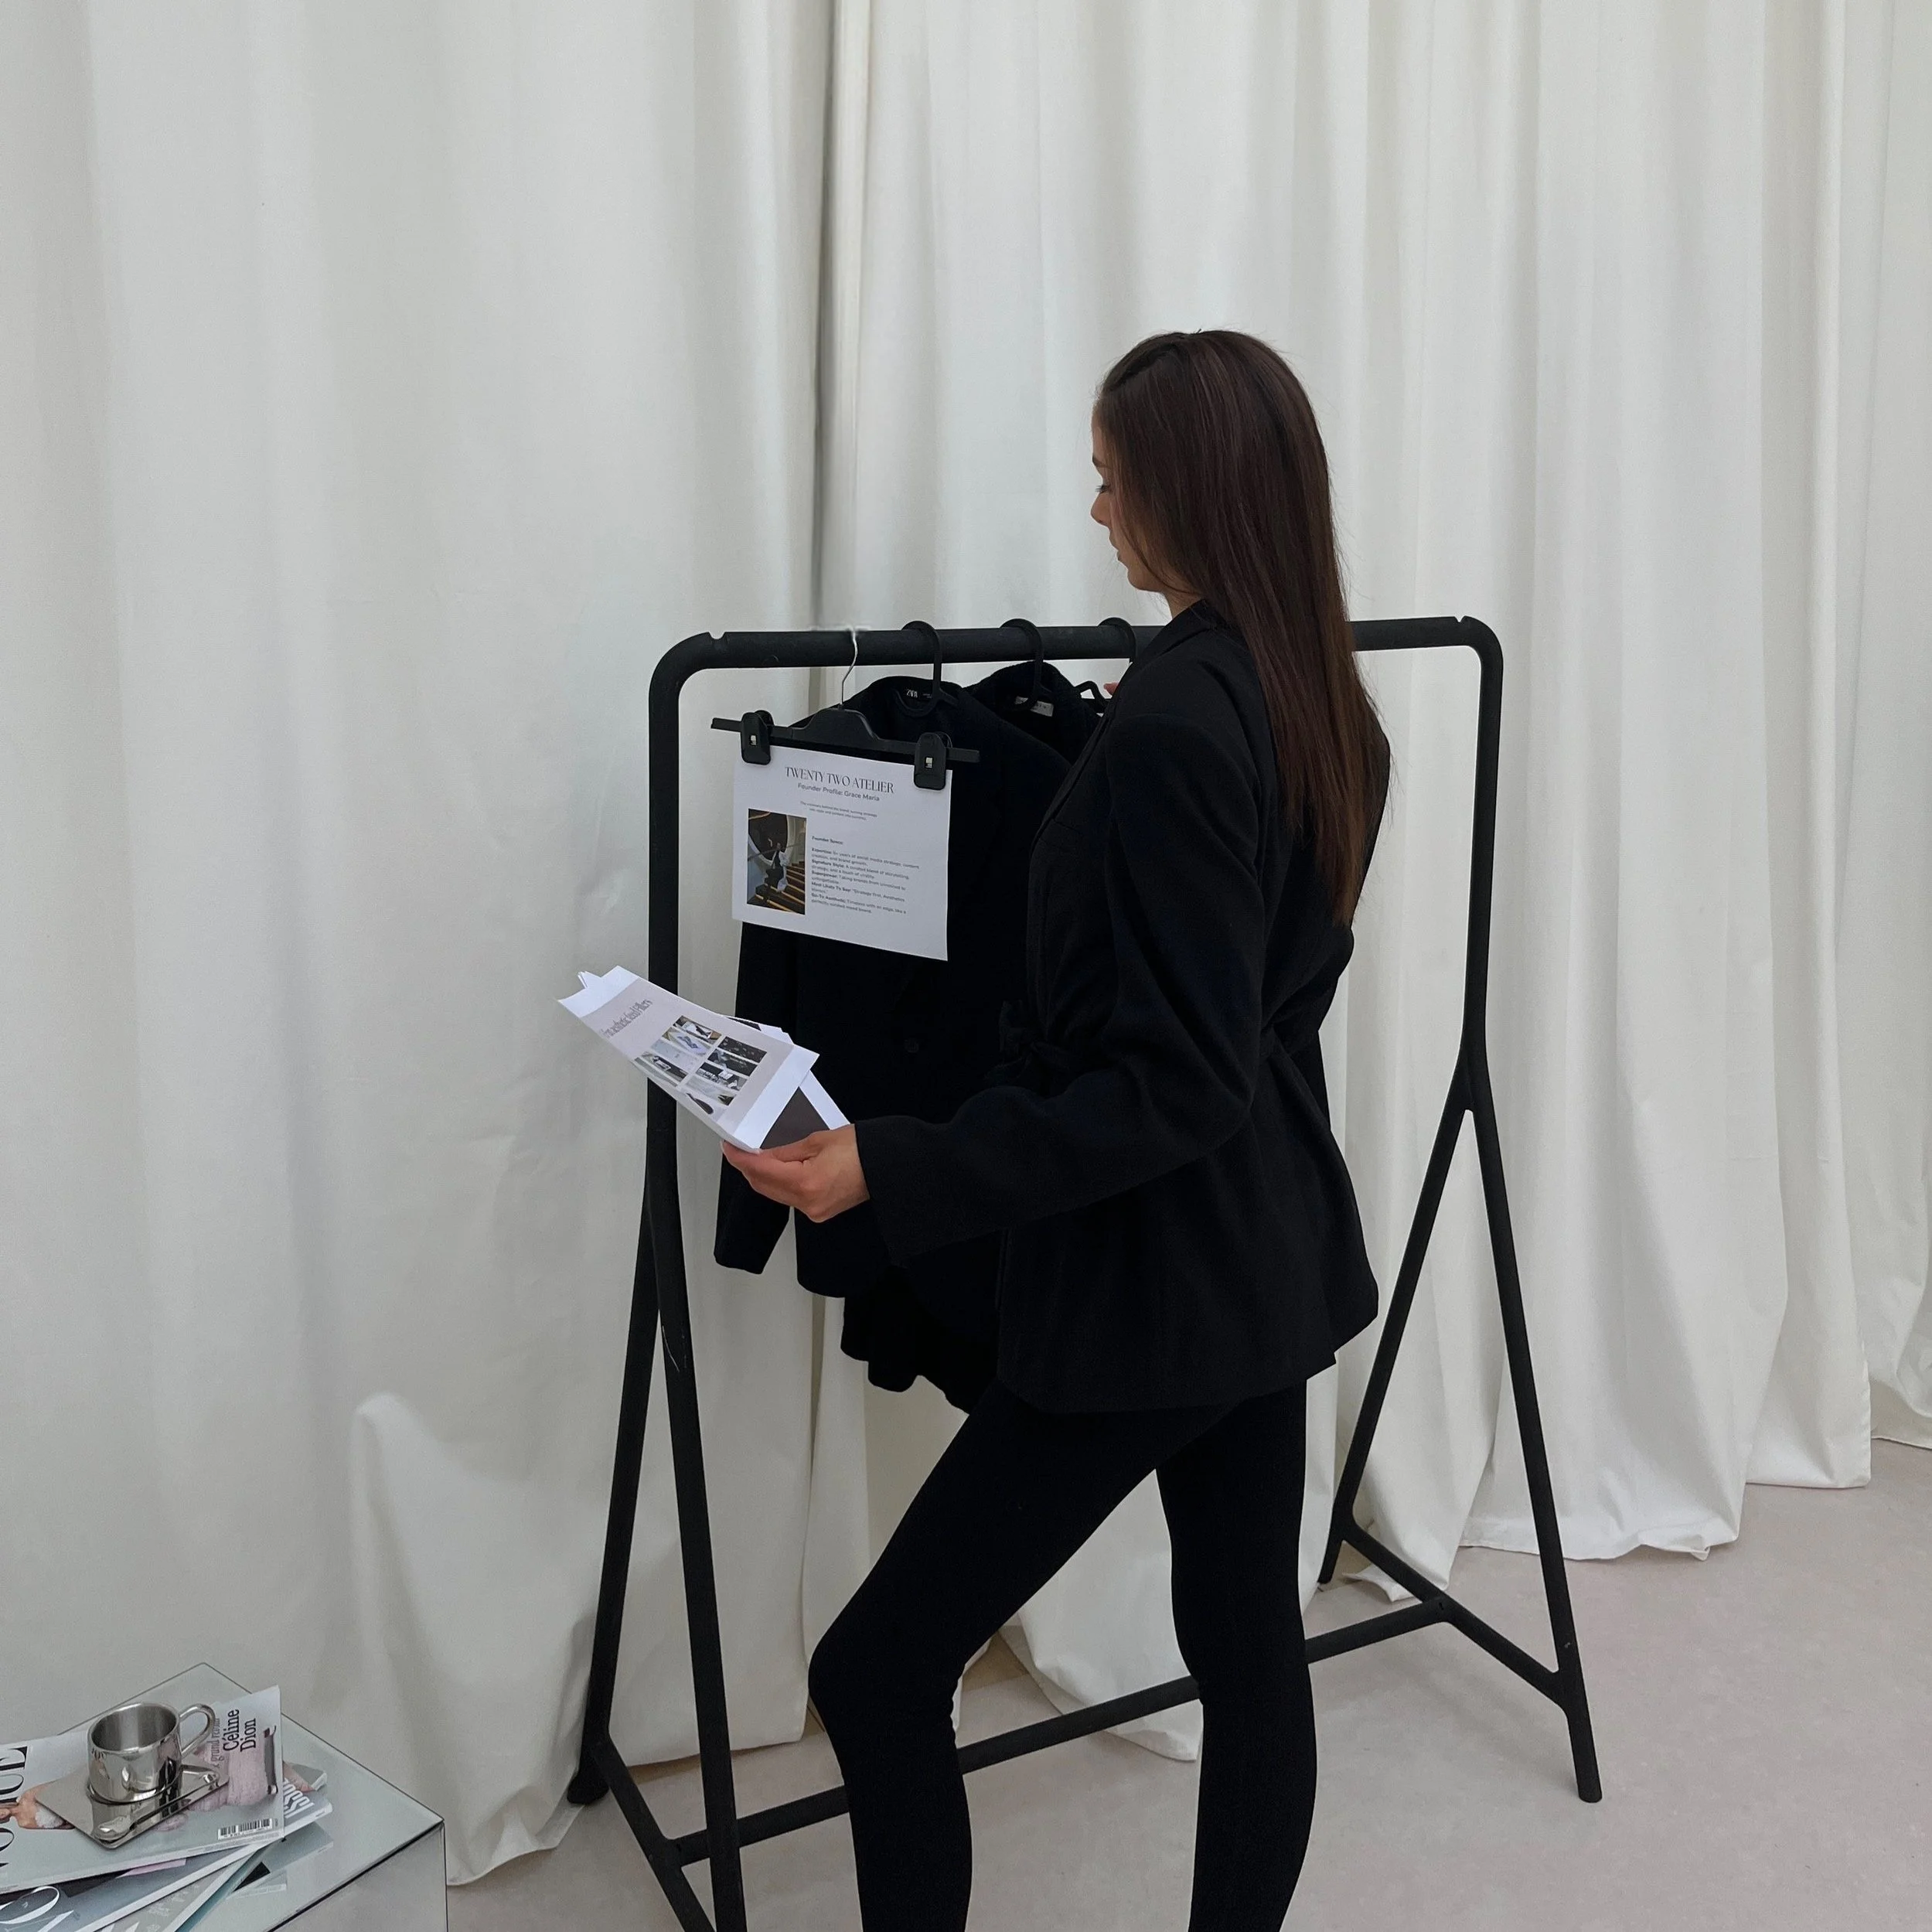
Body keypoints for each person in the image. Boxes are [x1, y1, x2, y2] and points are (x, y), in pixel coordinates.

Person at [724, 329, 1390, 1932]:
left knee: (875, 1668)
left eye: (1111, 476)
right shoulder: (1306, 696)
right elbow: (1242, 1020)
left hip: (1159, 1284)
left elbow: (1169, 1081)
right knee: (1245, 1647)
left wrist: (895, 1157)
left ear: (1189, 489)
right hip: (1263, 1258)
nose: (1094, 509)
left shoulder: (1175, 724)